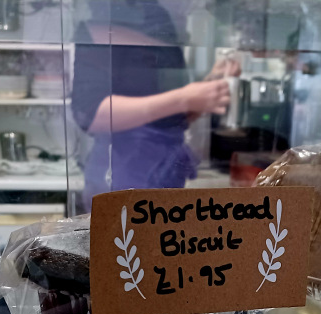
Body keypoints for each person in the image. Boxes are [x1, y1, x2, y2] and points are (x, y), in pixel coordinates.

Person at [71, 0, 237, 208]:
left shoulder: (164, 29)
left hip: (163, 173)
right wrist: (184, 98)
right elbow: (92, 113)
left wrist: (207, 90)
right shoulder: (106, 23)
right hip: (122, 173)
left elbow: (171, 118)